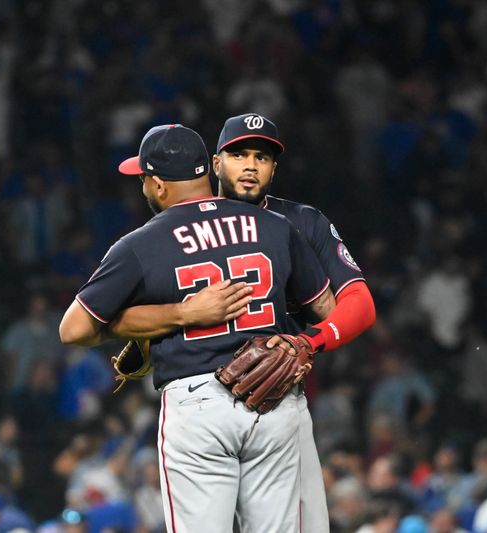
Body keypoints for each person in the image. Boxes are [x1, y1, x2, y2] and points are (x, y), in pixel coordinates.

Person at [101, 113, 377, 533]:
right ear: (215, 163)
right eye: (239, 154)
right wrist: (149, 336)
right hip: (211, 397)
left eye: (261, 157)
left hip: (276, 396)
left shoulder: (300, 221)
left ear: (273, 168)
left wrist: (309, 342)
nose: (250, 165)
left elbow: (357, 303)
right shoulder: (179, 226)